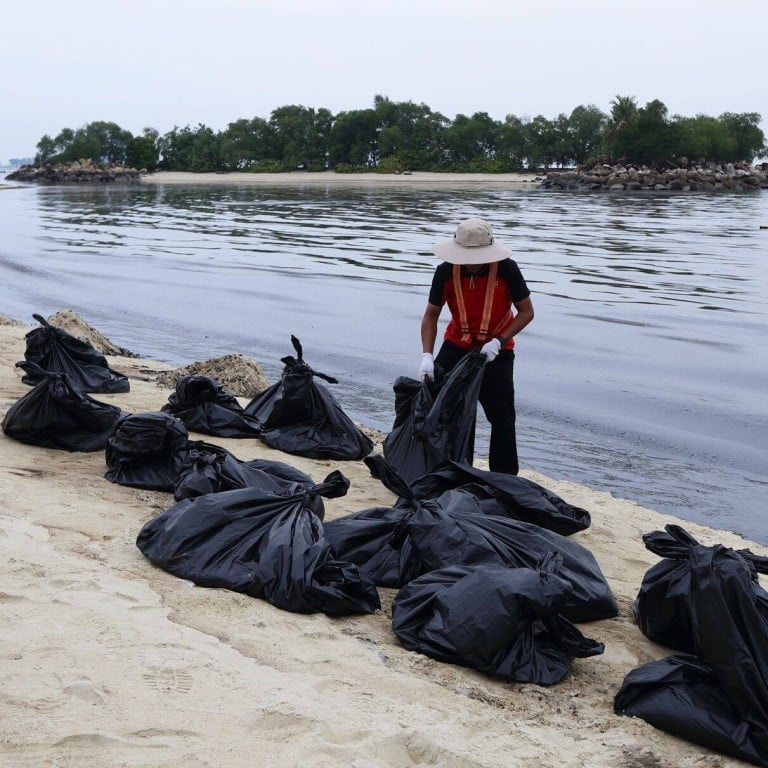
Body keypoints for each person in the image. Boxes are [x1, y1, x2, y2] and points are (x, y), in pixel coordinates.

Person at [418, 217, 534, 475]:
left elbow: (526, 312)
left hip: (496, 351)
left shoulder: (507, 270)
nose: (469, 263)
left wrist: (499, 341)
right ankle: (451, 468)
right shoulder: (445, 271)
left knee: (502, 417)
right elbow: (431, 315)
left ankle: (503, 479)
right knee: (445, 409)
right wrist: (427, 355)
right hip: (457, 345)